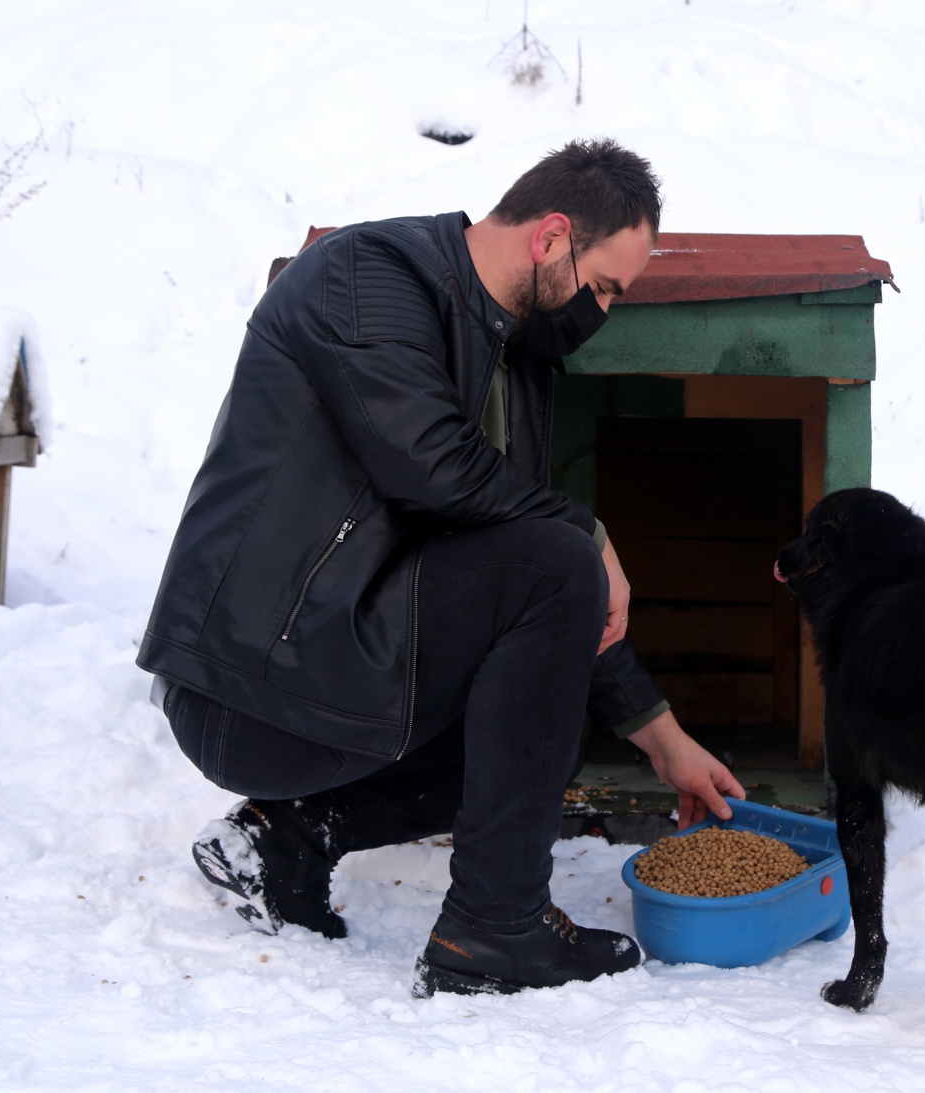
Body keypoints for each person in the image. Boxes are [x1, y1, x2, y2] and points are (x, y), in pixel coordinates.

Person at [137, 138, 745, 997]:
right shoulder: (369, 276)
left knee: (550, 728)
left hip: (340, 659)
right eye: (603, 284)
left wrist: (664, 739)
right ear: (551, 236)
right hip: (247, 685)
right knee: (559, 559)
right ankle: (493, 932)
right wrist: (593, 533)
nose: (602, 310)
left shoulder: (517, 363)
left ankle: (290, 834)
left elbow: (535, 589)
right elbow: (426, 463)